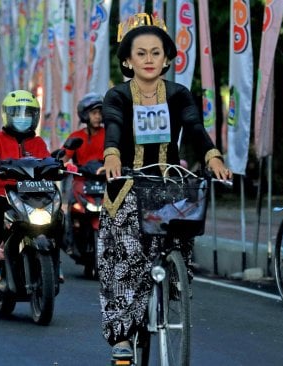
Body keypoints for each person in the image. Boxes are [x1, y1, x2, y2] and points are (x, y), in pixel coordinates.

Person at [98, 13, 232, 359]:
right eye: (140, 53)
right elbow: (112, 126)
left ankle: (171, 280)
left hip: (167, 184)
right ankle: (123, 339)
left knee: (183, 229)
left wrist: (213, 156)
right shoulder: (117, 95)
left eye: (155, 53)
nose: (148, 60)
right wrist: (111, 156)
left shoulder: (178, 94)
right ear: (127, 60)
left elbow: (194, 127)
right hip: (126, 183)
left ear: (168, 58)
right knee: (125, 257)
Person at [0, 89, 50, 283]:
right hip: (3, 192)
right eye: (17, 113)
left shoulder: (38, 142)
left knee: (56, 216)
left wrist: (60, 165)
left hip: (33, 192)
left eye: (27, 113)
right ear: (7, 115)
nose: (22, 118)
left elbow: (47, 160)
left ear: (35, 117)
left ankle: (53, 261)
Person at [61, 92, 105, 253]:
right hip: (81, 181)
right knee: (71, 209)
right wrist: (60, 166)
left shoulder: (109, 135)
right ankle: (71, 243)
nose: (98, 117)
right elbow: (64, 158)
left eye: (100, 113)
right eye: (94, 113)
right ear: (85, 115)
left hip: (105, 181)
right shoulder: (75, 136)